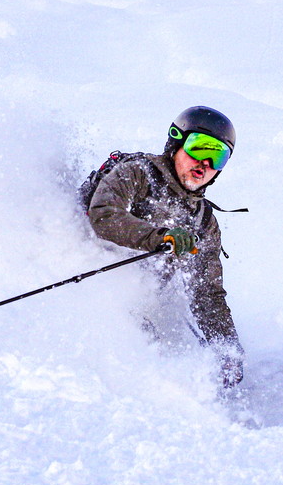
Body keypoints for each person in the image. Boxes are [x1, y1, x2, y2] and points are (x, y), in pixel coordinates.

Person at [85, 106, 244, 389]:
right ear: (175, 144)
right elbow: (104, 215)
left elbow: (207, 293)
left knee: (153, 359)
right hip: (86, 279)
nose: (205, 163)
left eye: (218, 156)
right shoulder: (137, 173)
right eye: (198, 148)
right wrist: (160, 237)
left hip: (136, 306)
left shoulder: (203, 222)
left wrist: (227, 349)